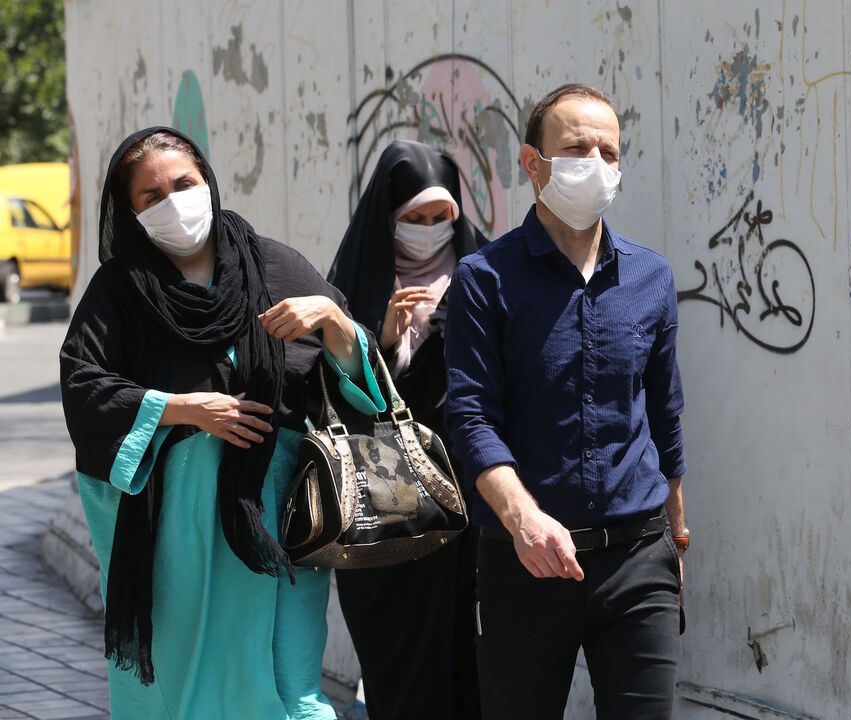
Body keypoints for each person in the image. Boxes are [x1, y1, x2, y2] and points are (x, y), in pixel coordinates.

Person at [60, 127, 387, 719]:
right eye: (150, 195)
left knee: (294, 689)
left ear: (207, 181)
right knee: (191, 687)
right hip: (177, 529)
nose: (173, 202)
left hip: (280, 519)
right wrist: (181, 408)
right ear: (131, 213)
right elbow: (85, 386)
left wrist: (334, 320)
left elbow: (362, 386)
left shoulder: (276, 265)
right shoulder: (121, 290)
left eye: (183, 184)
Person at [445, 83, 690, 719]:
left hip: (638, 560)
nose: (597, 163)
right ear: (533, 163)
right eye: (578, 148)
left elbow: (665, 413)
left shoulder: (651, 277)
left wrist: (675, 537)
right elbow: (470, 416)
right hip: (523, 560)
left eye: (609, 152)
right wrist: (522, 519)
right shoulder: (484, 279)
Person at [326, 139, 486, 719]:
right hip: (389, 508)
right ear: (387, 219)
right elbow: (329, 396)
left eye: (439, 217)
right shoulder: (351, 287)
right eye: (412, 219)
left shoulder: (486, 272)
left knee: (472, 660)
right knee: (401, 659)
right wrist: (383, 341)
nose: (428, 229)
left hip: (475, 496)